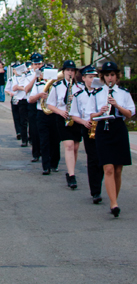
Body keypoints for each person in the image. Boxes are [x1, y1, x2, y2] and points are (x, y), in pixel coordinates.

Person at [91, 61, 135, 217]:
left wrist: (117, 105)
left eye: (112, 75)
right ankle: (113, 203)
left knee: (117, 169)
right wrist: (100, 112)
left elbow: (130, 114)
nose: (110, 78)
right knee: (108, 167)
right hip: (103, 129)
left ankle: (114, 198)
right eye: (107, 75)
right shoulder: (97, 93)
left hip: (118, 128)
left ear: (117, 77)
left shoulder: (123, 93)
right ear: (103, 77)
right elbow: (90, 114)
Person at [70, 65, 104, 203]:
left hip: (102, 127)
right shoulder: (78, 96)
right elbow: (74, 114)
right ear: (83, 78)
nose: (93, 80)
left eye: (95, 77)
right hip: (88, 127)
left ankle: (100, 182)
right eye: (90, 77)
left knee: (102, 158)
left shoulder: (102, 93)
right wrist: (84, 122)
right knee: (93, 158)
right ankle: (95, 191)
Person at [46, 59, 82, 189]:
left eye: (72, 70)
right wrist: (60, 112)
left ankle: (70, 170)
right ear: (64, 71)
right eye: (68, 70)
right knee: (69, 145)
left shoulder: (80, 87)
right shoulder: (57, 86)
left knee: (75, 147)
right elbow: (50, 104)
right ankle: (72, 175)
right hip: (62, 118)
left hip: (76, 118)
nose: (70, 73)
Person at [28, 64, 60, 175]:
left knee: (55, 140)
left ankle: (54, 163)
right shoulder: (38, 85)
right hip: (42, 113)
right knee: (44, 140)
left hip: (54, 114)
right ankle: (46, 166)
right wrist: (39, 95)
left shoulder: (57, 85)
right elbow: (30, 99)